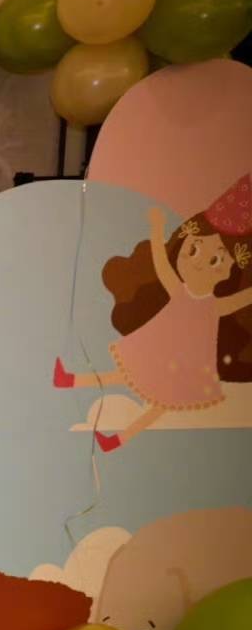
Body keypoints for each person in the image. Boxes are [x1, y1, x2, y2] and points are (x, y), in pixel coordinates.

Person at [55, 174, 252, 452]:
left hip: (186, 363)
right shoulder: (180, 290)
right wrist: (157, 230)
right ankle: (74, 382)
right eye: (193, 248)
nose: (198, 262)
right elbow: (161, 262)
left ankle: (117, 437)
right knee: (129, 376)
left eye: (215, 259)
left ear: (228, 270)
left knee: (159, 402)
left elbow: (240, 300)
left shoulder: (211, 305)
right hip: (163, 351)